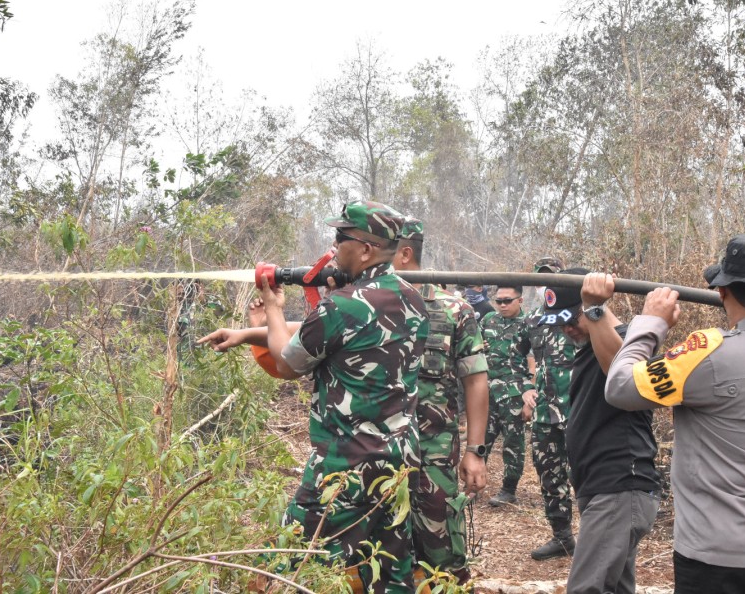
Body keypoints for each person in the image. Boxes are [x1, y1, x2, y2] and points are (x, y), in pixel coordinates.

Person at [200, 200, 429, 593]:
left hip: (346, 465)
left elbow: (289, 364)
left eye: (341, 237)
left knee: (283, 568)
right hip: (399, 461)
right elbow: (344, 333)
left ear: (365, 249)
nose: (334, 245)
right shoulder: (413, 298)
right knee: (389, 574)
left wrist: (272, 307)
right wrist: (247, 333)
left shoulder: (341, 306)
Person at [605, 234, 745, 594]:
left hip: (720, 556)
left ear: (723, 292)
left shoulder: (708, 354)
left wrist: (650, 324)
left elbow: (620, 388)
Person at [550, 268, 661, 594]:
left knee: (586, 588)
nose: (567, 329)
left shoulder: (628, 343)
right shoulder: (589, 346)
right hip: (601, 487)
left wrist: (594, 310)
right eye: (561, 323)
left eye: (573, 319)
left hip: (619, 486)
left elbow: (623, 377)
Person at [392, 217, 489, 585]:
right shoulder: (364, 302)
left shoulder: (454, 310)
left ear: (404, 253)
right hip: (374, 456)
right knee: (378, 558)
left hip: (433, 457)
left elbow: (477, 382)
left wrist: (476, 451)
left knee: (443, 559)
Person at [522, 257, 577, 560]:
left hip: (577, 411)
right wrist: (525, 388)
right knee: (550, 478)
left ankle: (599, 540)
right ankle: (563, 538)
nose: (547, 284)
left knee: (586, 477)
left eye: (552, 277)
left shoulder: (580, 316)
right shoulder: (532, 319)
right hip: (545, 414)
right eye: (541, 278)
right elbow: (511, 357)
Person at [479, 285, 535, 507]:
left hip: (514, 394)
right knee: (481, 439)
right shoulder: (488, 320)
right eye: (498, 300)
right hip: (487, 392)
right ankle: (474, 485)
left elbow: (535, 362)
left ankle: (508, 489)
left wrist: (530, 399)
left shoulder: (529, 324)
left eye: (507, 301)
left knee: (513, 443)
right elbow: (476, 347)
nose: (501, 305)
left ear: (520, 300)